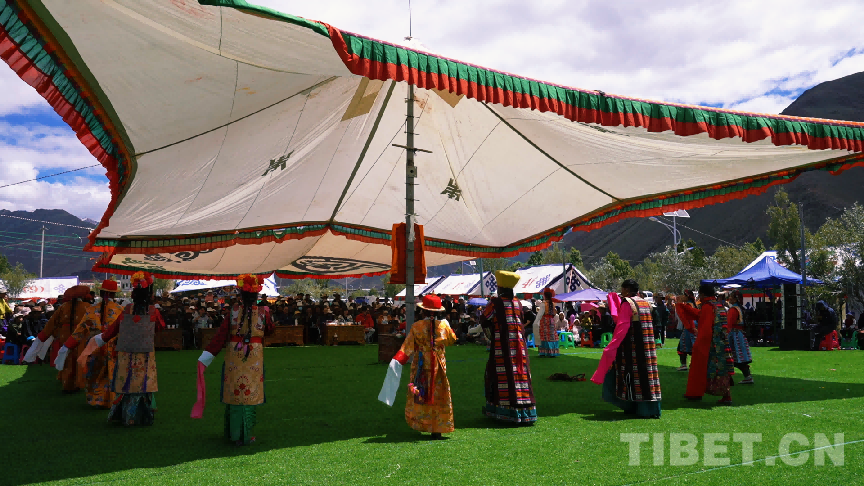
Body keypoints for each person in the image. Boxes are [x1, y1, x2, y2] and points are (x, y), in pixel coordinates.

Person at [196, 274, 274, 445]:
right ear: (257, 293)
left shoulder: (233, 311)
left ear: (240, 293)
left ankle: (233, 433)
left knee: (235, 392)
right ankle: (245, 434)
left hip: (234, 354)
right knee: (249, 393)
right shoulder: (264, 312)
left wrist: (205, 357)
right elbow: (270, 330)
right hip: (254, 355)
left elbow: (220, 336)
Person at [79, 272, 161, 424]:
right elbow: (160, 327)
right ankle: (141, 416)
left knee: (126, 383)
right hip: (145, 354)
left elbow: (113, 330)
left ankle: (124, 415)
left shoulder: (126, 309)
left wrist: (96, 341)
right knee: (142, 383)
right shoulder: (153, 311)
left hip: (125, 353)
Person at [380, 294, 457, 439]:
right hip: (438, 366)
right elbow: (452, 340)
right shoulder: (443, 326)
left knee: (421, 391)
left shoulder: (417, 327)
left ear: (423, 311)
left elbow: (407, 347)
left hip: (421, 365)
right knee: (439, 393)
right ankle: (438, 427)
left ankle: (423, 423)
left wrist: (397, 360)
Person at [590, 279, 661, 418]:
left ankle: (632, 407)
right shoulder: (646, 303)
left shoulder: (628, 303)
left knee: (630, 376)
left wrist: (612, 347)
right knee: (648, 376)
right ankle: (650, 410)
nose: (621, 292)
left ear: (627, 290)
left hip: (632, 348)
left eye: (622, 289)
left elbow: (622, 327)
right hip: (648, 348)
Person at [480, 271, 536, 424]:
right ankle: (525, 412)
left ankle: (505, 412)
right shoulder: (518, 303)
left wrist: (492, 332)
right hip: (520, 347)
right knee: (520, 373)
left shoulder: (495, 303)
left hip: (502, 345)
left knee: (503, 375)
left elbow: (484, 319)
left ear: (500, 288)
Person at [60, 283, 124, 408]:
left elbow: (79, 331)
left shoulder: (91, 310)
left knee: (93, 374)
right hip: (112, 347)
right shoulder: (120, 310)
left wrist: (66, 346)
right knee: (111, 373)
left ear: (101, 293)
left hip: (93, 347)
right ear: (113, 294)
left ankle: (95, 400)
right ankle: (109, 400)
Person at [25, 284, 93, 392]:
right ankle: (78, 383)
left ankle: (66, 384)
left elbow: (52, 323)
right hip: (80, 336)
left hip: (64, 336)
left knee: (66, 358)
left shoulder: (63, 307)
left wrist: (44, 336)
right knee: (79, 359)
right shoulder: (87, 307)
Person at [677, 284, 734, 405]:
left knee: (704, 369)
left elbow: (706, 328)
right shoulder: (719, 305)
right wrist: (683, 307)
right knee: (722, 369)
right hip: (722, 343)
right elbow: (700, 315)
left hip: (711, 344)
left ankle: (696, 392)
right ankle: (726, 396)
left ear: (703, 294)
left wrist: (699, 344)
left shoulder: (708, 306)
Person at [726, 291, 753, 384]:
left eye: (731, 297)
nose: (729, 298)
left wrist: (725, 334)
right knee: (738, 357)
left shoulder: (733, 309)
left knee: (731, 357)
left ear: (735, 299)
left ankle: (728, 379)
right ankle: (747, 376)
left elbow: (729, 323)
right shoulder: (740, 308)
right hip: (739, 334)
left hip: (734, 335)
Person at [674, 289, 699, 371]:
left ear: (687, 296)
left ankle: (684, 364)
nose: (682, 296)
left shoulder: (688, 305)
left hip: (690, 328)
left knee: (683, 348)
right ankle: (693, 364)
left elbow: (689, 318)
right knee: (692, 347)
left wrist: (691, 327)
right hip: (693, 328)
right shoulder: (693, 304)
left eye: (684, 295)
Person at [533, 288, 559, 357]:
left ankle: (544, 352)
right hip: (551, 320)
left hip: (544, 320)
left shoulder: (543, 303)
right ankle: (552, 352)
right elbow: (554, 313)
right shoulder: (553, 303)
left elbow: (540, 313)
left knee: (544, 336)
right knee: (552, 336)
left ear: (545, 296)